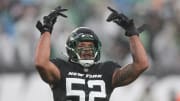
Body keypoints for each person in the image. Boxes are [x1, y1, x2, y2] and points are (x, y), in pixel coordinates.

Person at [35, 6, 149, 101]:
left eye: (91, 46)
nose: (87, 50)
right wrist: (46, 30)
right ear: (71, 49)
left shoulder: (107, 70)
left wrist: (132, 33)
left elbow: (141, 64)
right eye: (82, 46)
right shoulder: (61, 68)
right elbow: (41, 63)